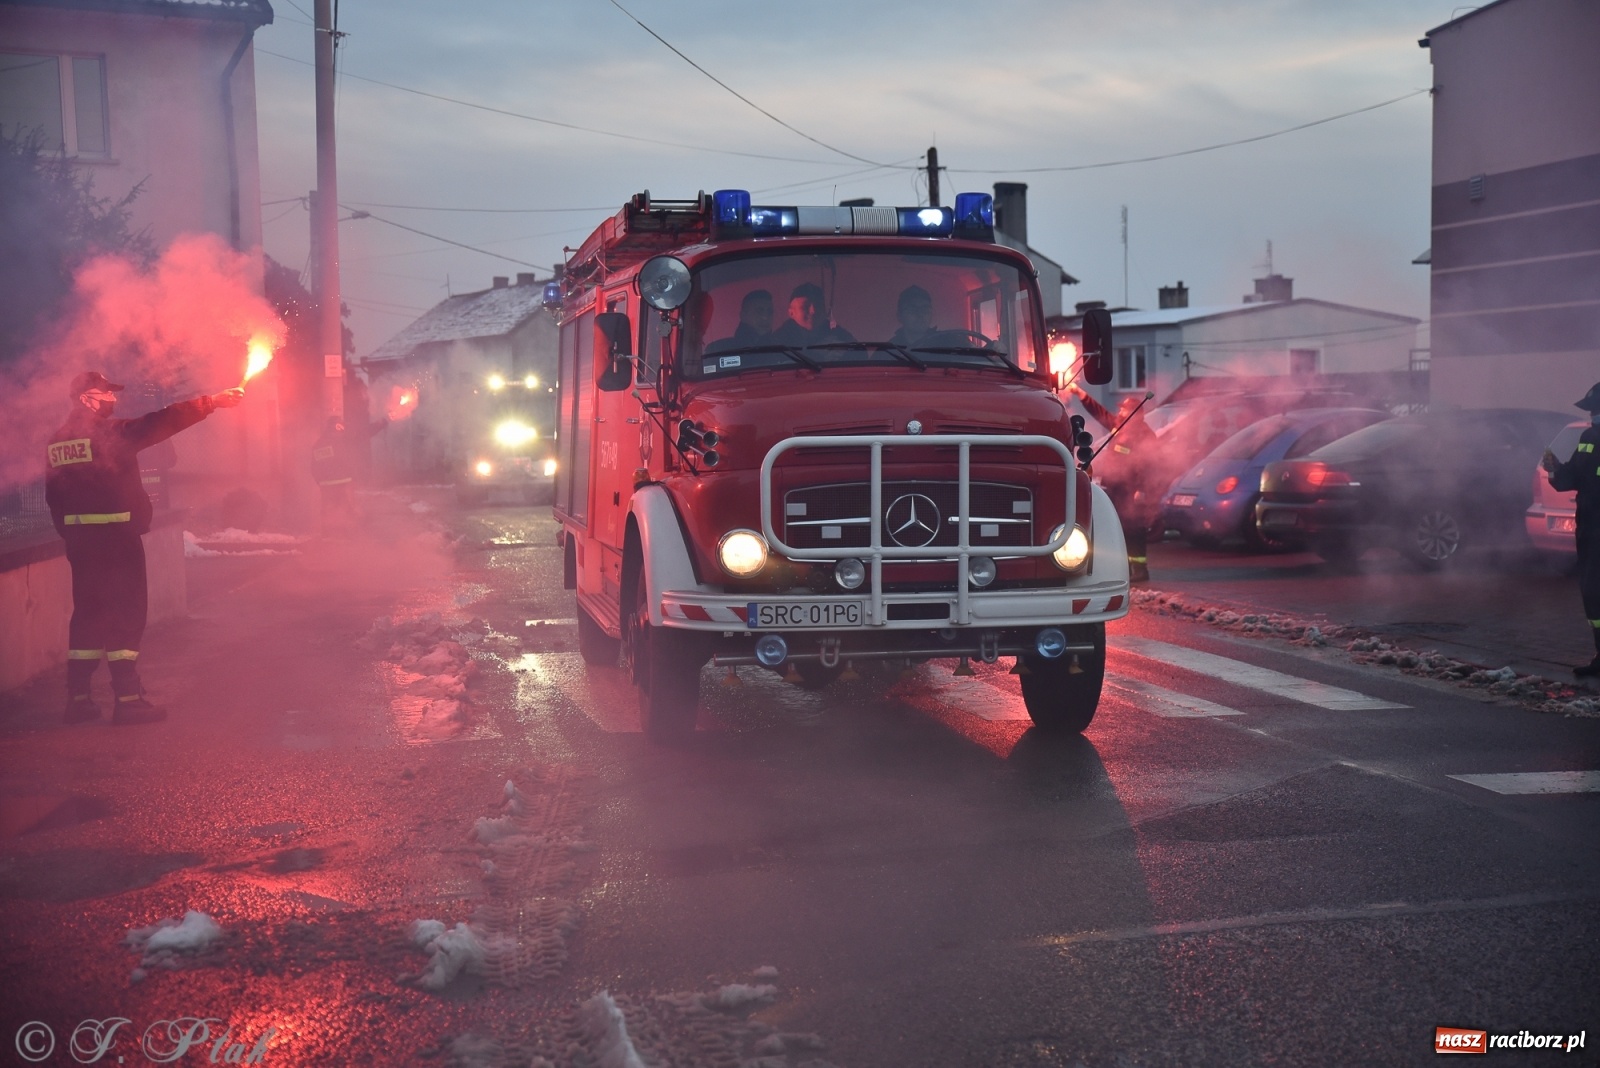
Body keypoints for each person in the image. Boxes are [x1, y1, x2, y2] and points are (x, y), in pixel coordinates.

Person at [45, 370, 244, 725]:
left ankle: (78, 700)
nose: (113, 400)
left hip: (81, 546)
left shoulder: (58, 442)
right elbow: (162, 421)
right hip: (118, 541)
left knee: (88, 615)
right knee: (125, 614)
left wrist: (72, 533)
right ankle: (128, 699)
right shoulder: (110, 435)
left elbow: (53, 498)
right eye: (106, 395)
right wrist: (211, 402)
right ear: (86, 399)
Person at [1073, 386, 1161, 584]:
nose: (1119, 412)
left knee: (1134, 529)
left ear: (1134, 414)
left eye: (1124, 409)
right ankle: (1126, 568)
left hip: (1132, 490)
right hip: (1116, 487)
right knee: (1119, 527)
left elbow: (1149, 466)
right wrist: (1081, 394)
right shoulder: (1121, 426)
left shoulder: (1145, 436)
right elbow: (1099, 412)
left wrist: (1142, 489)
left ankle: (1140, 569)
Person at [1543, 380, 1600, 677]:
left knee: (1595, 590)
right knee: (1593, 592)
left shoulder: (1593, 437)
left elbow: (1581, 478)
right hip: (1591, 529)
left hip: (1595, 528)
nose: (1593, 416)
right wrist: (1555, 467)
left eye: (1596, 410)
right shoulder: (1589, 438)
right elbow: (1572, 478)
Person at [772, 282, 852, 348]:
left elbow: (858, 356)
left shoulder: (839, 336)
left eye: (818, 305)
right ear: (791, 313)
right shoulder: (778, 341)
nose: (813, 311)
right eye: (805, 307)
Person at [705, 289, 774, 354]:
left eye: (769, 312)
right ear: (743, 315)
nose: (765, 317)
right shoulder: (718, 350)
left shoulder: (781, 349)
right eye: (759, 311)